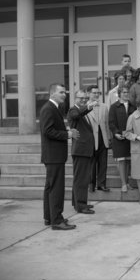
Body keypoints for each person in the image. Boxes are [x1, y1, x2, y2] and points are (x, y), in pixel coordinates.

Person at [40, 83, 78, 230]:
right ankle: (57, 220)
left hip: (53, 155)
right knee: (56, 188)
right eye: (61, 92)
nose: (64, 95)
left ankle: (49, 217)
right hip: (53, 156)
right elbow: (48, 131)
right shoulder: (49, 109)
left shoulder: (54, 108)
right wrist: (67, 134)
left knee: (50, 187)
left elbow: (51, 128)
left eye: (65, 92)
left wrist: (64, 130)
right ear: (52, 94)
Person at [67, 90, 96, 214]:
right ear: (75, 99)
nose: (84, 100)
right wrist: (88, 107)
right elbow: (75, 116)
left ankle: (78, 202)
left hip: (85, 150)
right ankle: (81, 205)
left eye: (85, 98)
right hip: (80, 150)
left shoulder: (82, 111)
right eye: (81, 98)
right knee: (81, 179)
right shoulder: (73, 110)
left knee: (82, 178)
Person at [109, 85, 136, 193]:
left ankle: (128, 182)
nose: (126, 94)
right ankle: (123, 184)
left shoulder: (132, 106)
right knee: (121, 161)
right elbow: (111, 122)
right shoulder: (114, 106)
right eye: (124, 92)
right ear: (119, 94)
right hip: (119, 138)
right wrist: (115, 133)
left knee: (128, 161)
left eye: (127, 92)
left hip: (129, 137)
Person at [86, 85, 111, 192]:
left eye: (98, 93)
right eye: (94, 93)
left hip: (103, 138)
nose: (96, 95)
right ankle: (91, 184)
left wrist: (109, 138)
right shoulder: (84, 107)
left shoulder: (104, 106)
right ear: (88, 94)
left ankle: (101, 184)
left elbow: (107, 124)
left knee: (103, 163)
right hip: (91, 139)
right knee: (91, 163)